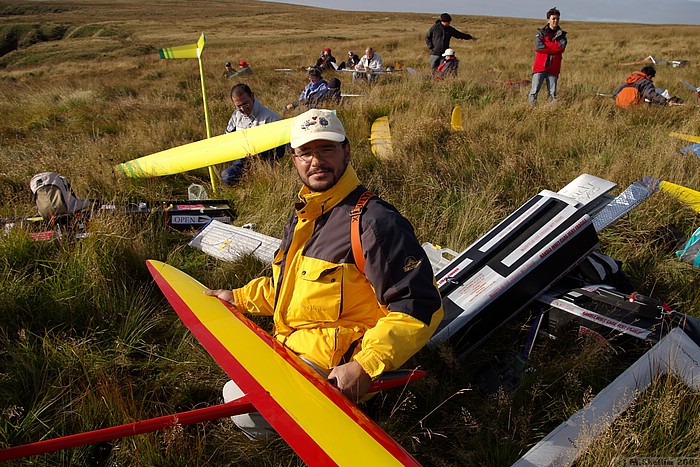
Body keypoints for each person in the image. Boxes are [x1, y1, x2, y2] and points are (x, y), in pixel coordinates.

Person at [206, 108, 444, 439]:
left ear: (346, 151)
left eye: (326, 149)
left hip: (341, 366)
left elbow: (419, 305)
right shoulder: (306, 214)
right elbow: (287, 286)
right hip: (294, 343)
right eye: (306, 152)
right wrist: (240, 298)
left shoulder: (374, 222)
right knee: (233, 383)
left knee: (243, 407)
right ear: (294, 160)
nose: (316, 161)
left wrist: (365, 365)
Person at [220, 84, 285, 186]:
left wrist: (259, 153)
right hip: (242, 159)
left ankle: (258, 184)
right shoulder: (236, 116)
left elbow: (281, 151)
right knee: (227, 176)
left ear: (252, 96)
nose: (243, 109)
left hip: (266, 162)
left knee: (266, 182)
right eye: (238, 106)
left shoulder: (271, 118)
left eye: (245, 104)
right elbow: (227, 137)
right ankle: (247, 185)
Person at [528, 7, 567, 105]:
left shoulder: (562, 36)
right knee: (534, 92)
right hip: (540, 67)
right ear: (548, 19)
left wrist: (547, 47)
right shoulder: (541, 33)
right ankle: (531, 110)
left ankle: (550, 113)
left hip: (553, 68)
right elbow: (539, 47)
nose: (556, 21)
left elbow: (561, 48)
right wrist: (554, 49)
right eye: (553, 18)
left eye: (557, 19)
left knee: (552, 94)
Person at [612, 66, 682, 107]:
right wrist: (665, 101)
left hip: (619, 106)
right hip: (632, 107)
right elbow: (651, 95)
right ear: (650, 76)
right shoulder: (646, 82)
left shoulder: (629, 80)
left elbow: (614, 95)